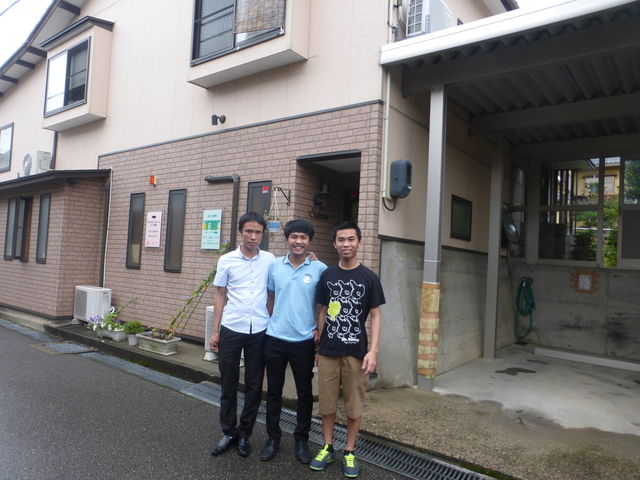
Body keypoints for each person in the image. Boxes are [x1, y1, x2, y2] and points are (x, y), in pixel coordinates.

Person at [310, 221, 385, 478]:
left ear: (359, 242)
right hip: (328, 352)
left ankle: (350, 451)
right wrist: (318, 348)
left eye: (351, 239)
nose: (346, 244)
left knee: (354, 406)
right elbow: (322, 311)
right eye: (341, 240)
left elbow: (376, 315)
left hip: (356, 352)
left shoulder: (369, 277)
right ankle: (328, 447)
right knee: (327, 404)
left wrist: (373, 351)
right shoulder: (327, 275)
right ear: (334, 244)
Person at [260, 219, 327, 464]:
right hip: (275, 338)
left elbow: (323, 306)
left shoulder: (319, 268)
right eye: (294, 237)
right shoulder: (275, 266)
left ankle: (301, 439)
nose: (299, 241)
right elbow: (270, 298)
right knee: (274, 391)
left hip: (304, 340)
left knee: (304, 393)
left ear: (310, 241)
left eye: (304, 238)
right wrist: (274, 321)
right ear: (287, 239)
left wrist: (318, 331)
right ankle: (273, 438)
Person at [209, 212, 274, 458]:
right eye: (249, 231)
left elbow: (289, 269)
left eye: (258, 232)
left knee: (254, 385)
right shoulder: (226, 260)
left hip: (260, 329)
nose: (253, 236)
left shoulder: (270, 260)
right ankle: (228, 432)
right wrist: (215, 330)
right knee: (228, 381)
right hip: (232, 327)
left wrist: (310, 257)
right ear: (241, 232)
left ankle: (245, 433)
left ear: (262, 234)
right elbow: (220, 294)